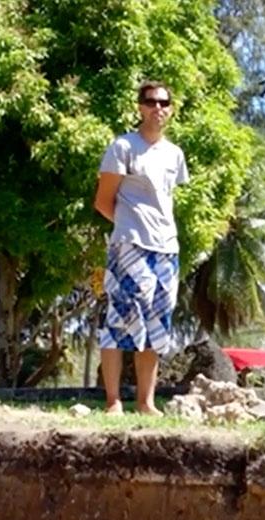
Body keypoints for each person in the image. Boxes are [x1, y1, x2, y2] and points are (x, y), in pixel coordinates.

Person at [92, 81, 189, 415]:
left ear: (171, 109)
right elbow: (104, 201)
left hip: (166, 249)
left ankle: (146, 403)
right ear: (139, 107)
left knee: (157, 323)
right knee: (119, 320)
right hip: (129, 244)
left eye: (163, 102)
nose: (157, 108)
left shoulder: (175, 154)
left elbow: (167, 199)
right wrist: (129, 226)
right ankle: (113, 401)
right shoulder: (122, 147)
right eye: (150, 102)